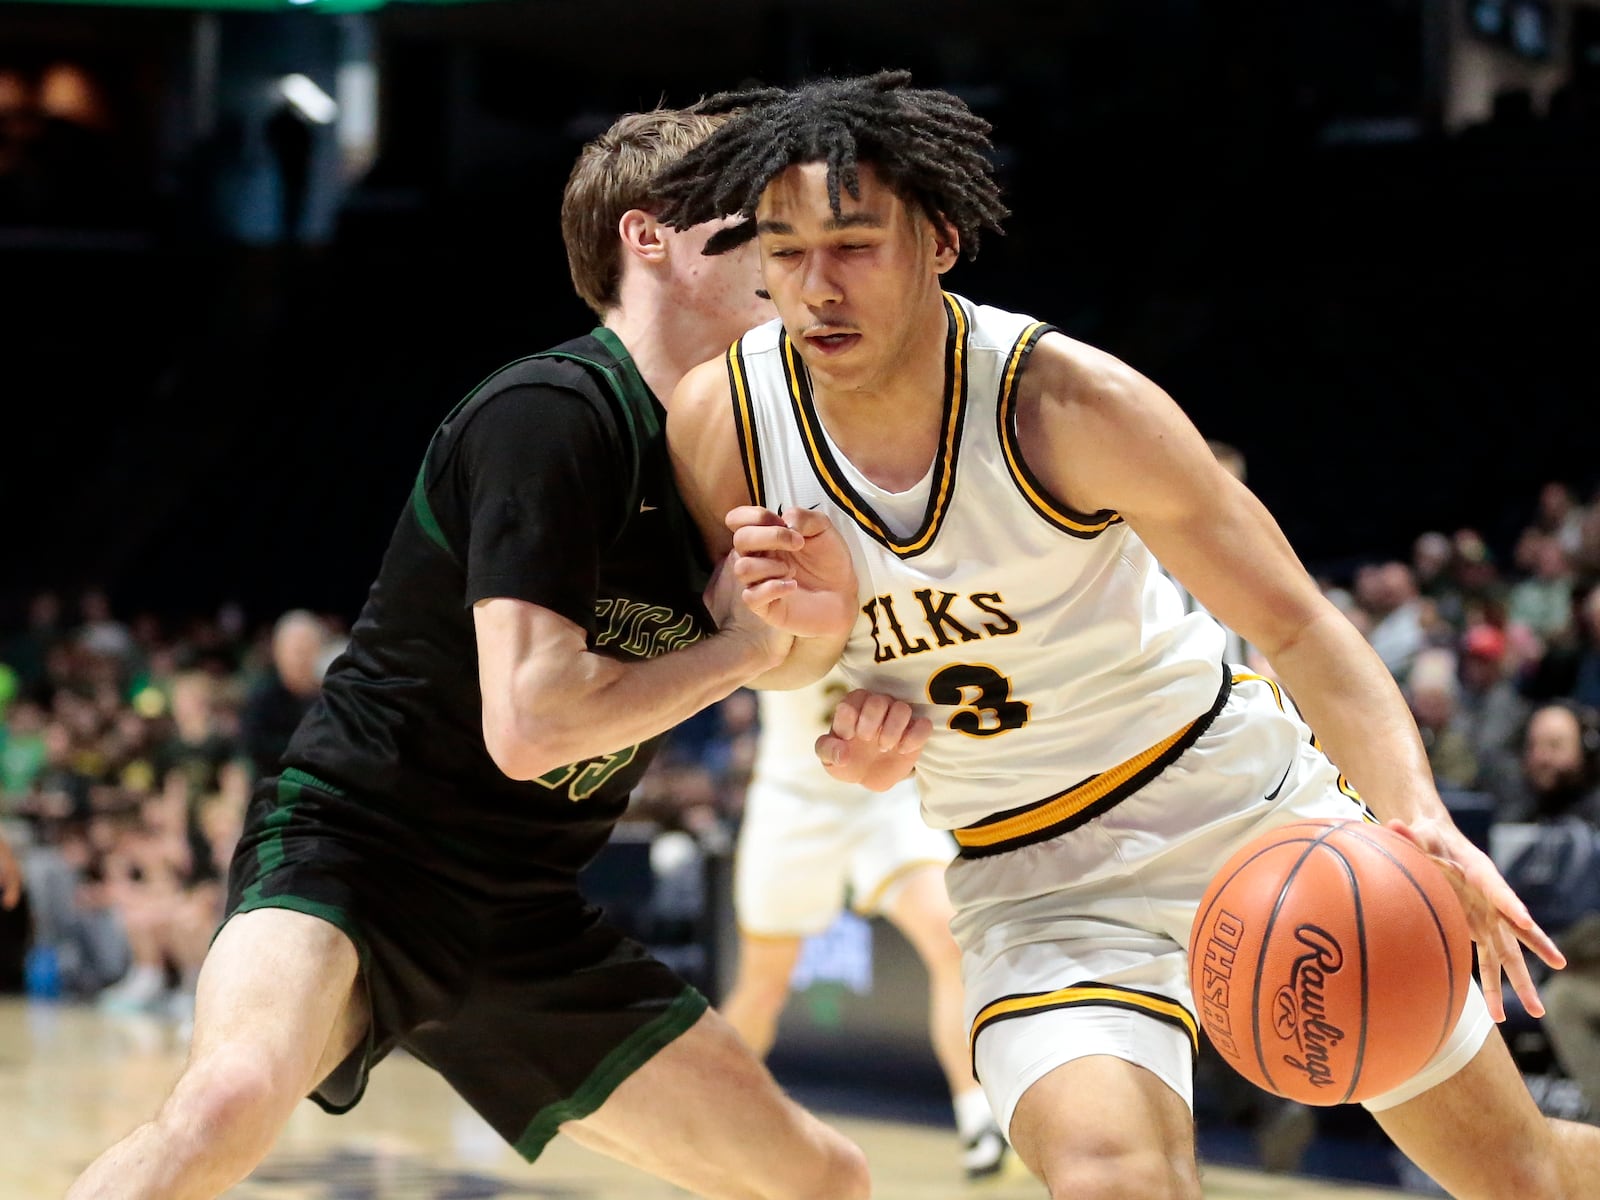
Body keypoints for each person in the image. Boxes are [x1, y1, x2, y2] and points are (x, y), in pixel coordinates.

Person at [654, 70, 1598, 1198]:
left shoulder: (1065, 403)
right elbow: (786, 660)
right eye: (785, 250)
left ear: (941, 241)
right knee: (1113, 1180)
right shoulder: (725, 420)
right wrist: (813, 668)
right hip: (1035, 877)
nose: (818, 286)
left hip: (1240, 809)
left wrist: (1420, 818)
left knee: (1520, 1178)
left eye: (854, 244)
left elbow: (1294, 623)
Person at [65, 106, 873, 1200]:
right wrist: (741, 648)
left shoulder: (741, 449)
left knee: (820, 1179)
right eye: (750, 220)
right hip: (358, 851)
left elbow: (768, 655)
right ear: (649, 239)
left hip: (523, 904)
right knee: (224, 1103)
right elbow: (535, 725)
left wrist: (812, 641)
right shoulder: (551, 416)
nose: (782, 250)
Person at [721, 666, 1013, 1181]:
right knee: (763, 988)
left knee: (953, 941)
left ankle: (978, 1120)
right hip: (795, 798)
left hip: (884, 800)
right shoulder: (777, 589)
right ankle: (712, 1119)